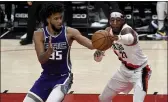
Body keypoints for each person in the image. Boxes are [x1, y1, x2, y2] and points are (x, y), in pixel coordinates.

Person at [23, 2, 94, 102]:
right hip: (45, 77)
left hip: (63, 77)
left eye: (61, 18)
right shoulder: (39, 34)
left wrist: (106, 40)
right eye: (56, 19)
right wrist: (48, 52)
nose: (60, 21)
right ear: (48, 19)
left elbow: (91, 45)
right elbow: (41, 60)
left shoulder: (70, 32)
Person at [94, 9, 152, 102]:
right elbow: (98, 60)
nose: (115, 23)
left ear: (123, 21)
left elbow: (129, 39)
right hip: (123, 71)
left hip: (140, 71)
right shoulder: (107, 33)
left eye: (118, 20)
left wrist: (118, 37)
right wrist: (98, 53)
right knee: (103, 98)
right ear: (109, 21)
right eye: (112, 20)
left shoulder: (127, 30)